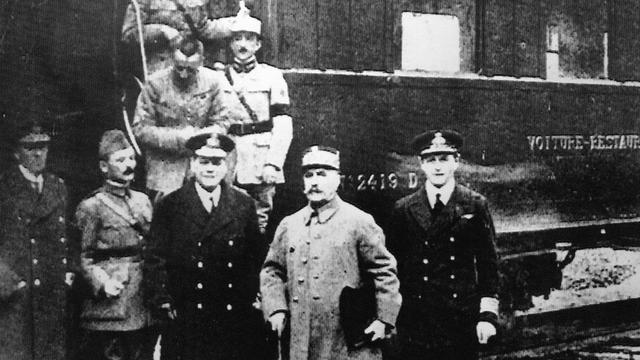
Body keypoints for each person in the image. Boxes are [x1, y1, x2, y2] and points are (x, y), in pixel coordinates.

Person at [260, 145, 402, 360]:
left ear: (337, 179)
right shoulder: (289, 225)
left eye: (322, 174)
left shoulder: (359, 221)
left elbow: (384, 272)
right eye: (309, 175)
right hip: (299, 340)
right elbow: (272, 270)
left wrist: (384, 319)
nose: (315, 182)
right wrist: (276, 308)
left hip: (345, 340)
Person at [143, 131, 266, 360]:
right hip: (186, 316)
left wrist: (253, 295)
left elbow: (255, 258)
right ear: (192, 164)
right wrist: (162, 299)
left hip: (232, 316)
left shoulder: (244, 205)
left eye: (217, 162)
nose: (210, 169)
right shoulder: (170, 205)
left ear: (227, 166)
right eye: (204, 162)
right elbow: (155, 258)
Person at [386, 130, 500, 360]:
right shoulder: (404, 209)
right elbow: (391, 269)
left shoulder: (474, 204)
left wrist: (487, 316)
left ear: (456, 162)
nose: (438, 167)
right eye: (431, 160)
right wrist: (388, 317)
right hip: (416, 320)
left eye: (444, 159)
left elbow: (489, 266)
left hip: (460, 318)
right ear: (421, 164)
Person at [75, 130, 156, 360]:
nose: (129, 165)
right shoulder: (91, 207)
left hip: (143, 302)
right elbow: (83, 256)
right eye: (120, 160)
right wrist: (103, 283)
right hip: (112, 306)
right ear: (103, 167)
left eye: (131, 158)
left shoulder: (142, 201)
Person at [0, 121, 73, 360]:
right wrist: (8, 282)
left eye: (43, 146)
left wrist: (69, 271)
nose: (38, 153)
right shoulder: (4, 188)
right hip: (17, 297)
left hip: (51, 295)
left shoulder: (57, 186)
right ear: (16, 152)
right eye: (30, 147)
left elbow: (70, 234)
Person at [132, 37, 233, 199]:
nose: (184, 74)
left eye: (190, 69)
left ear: (201, 62)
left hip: (202, 167)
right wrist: (179, 138)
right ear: (172, 59)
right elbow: (140, 128)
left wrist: (199, 138)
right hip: (164, 171)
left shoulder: (213, 82)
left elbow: (222, 122)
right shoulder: (154, 84)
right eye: (179, 68)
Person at [224, 15, 293, 234]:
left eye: (249, 39)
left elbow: (283, 123)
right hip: (230, 159)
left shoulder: (272, 76)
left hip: (260, 159)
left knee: (259, 221)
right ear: (231, 44)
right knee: (226, 217)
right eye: (237, 39)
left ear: (258, 44)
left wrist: (273, 163)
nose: (242, 44)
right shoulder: (218, 77)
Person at [121, 0, 249, 74]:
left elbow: (203, 28)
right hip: (160, 68)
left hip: (191, 66)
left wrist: (236, 24)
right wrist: (162, 31)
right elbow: (129, 34)